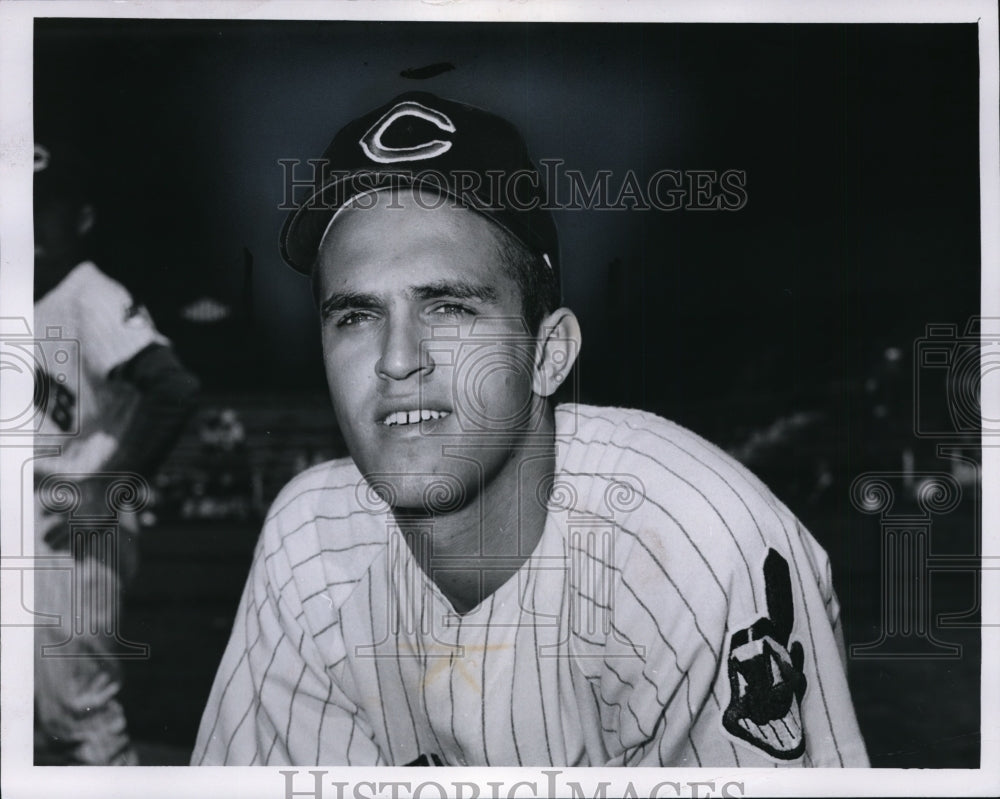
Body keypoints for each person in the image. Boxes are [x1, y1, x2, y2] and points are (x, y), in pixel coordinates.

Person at [192, 92, 868, 767]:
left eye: (451, 307)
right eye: (356, 316)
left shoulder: (689, 548)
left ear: (548, 354)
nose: (398, 359)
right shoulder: (309, 542)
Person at [33, 142, 200, 765]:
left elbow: (173, 387)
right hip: (37, 517)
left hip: (68, 525)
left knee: (77, 718)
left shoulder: (89, 292)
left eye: (46, 208)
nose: (27, 222)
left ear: (80, 219)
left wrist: (110, 486)